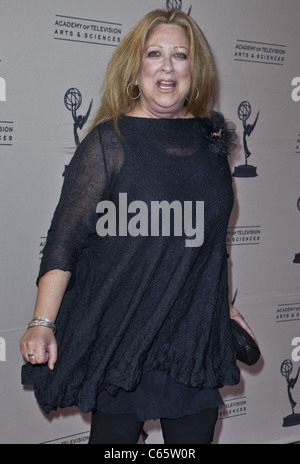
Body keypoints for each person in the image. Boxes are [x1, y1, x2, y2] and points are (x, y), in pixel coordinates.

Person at [20, 8, 255, 444]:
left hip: (191, 336)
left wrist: (222, 304)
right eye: (155, 54)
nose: (167, 66)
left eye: (180, 55)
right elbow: (63, 242)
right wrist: (42, 321)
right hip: (123, 333)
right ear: (136, 68)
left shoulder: (212, 141)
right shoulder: (109, 142)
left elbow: (209, 242)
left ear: (194, 69)